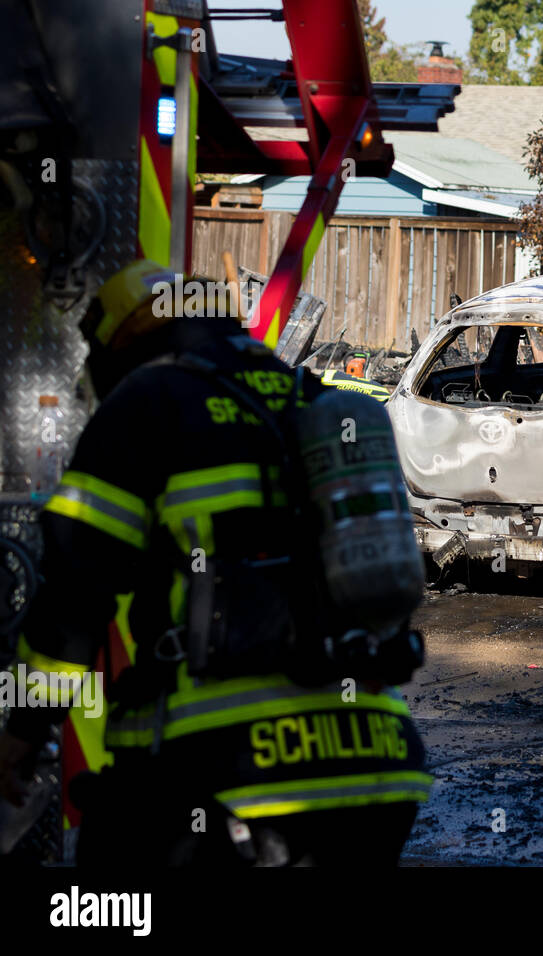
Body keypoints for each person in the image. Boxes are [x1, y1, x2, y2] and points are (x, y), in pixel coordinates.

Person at [0, 260, 429, 865]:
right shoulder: (311, 397)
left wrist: (23, 732)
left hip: (227, 771)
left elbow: (76, 591)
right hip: (379, 765)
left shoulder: (146, 402)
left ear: (121, 346)